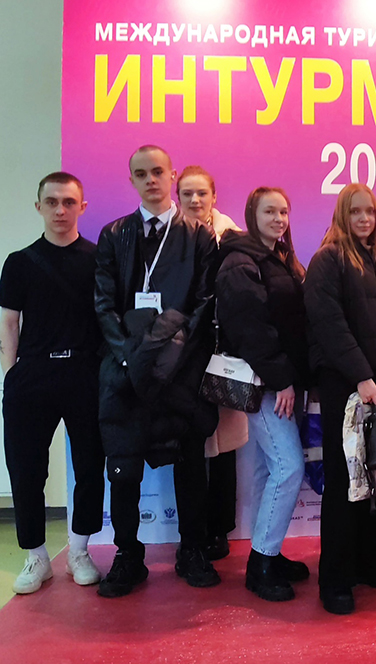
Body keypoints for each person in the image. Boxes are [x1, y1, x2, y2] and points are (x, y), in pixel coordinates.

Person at [94, 145, 221, 597]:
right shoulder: (114, 234)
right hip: (126, 371)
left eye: (158, 172)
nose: (151, 180)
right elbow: (104, 304)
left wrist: (170, 359)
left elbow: (205, 304)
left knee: (190, 463)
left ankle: (193, 549)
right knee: (123, 466)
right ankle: (128, 555)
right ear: (131, 180)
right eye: (141, 173)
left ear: (172, 176)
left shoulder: (199, 236)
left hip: (181, 373)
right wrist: (131, 360)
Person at [305, 183, 376, 615]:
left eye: (369, 211)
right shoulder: (328, 260)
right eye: (355, 212)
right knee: (345, 480)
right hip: (345, 386)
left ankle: (371, 561)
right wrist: (361, 377)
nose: (365, 219)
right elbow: (329, 325)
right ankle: (335, 578)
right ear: (342, 215)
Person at [1, 172, 105, 594]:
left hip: (86, 375)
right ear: (38, 206)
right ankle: (37, 557)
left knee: (90, 466)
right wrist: (11, 375)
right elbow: (9, 323)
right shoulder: (19, 262)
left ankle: (79, 550)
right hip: (32, 376)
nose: (60, 210)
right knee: (26, 469)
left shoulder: (99, 260)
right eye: (52, 202)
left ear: (82, 206)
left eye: (68, 202)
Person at [216, 187, 311, 601]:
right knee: (288, 467)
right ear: (251, 215)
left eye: (284, 211)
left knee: (267, 470)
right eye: (270, 211)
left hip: (280, 380)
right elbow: (251, 330)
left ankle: (267, 551)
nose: (278, 219)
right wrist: (281, 379)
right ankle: (261, 565)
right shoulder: (241, 262)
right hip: (266, 384)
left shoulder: (279, 257)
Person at [176, 165, 246, 561]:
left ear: (214, 197)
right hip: (181, 357)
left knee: (225, 448)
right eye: (187, 193)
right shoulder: (167, 239)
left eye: (202, 193)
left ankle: (219, 530)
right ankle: (192, 535)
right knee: (186, 446)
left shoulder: (234, 240)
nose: (195, 200)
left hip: (224, 355)